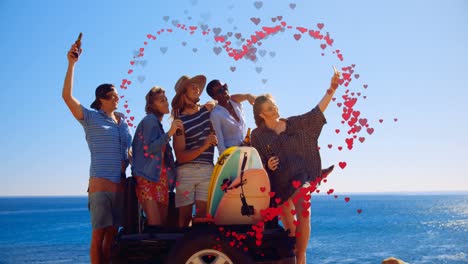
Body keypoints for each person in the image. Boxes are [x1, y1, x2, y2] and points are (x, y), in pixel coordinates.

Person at [250, 67, 340, 264]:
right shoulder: (257, 135)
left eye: (274, 106)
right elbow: (259, 161)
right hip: (279, 183)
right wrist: (268, 164)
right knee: (291, 230)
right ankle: (295, 257)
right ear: (261, 114)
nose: (275, 110)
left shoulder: (293, 123)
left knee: (304, 214)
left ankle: (301, 258)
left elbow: (316, 113)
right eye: (270, 109)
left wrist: (331, 89)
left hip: (300, 177)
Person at [62, 42, 132, 264]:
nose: (117, 99)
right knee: (98, 236)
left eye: (117, 96)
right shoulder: (91, 118)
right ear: (101, 99)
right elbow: (67, 98)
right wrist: (71, 64)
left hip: (119, 186)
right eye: (112, 96)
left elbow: (129, 149)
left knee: (112, 237)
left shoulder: (122, 122)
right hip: (100, 186)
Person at [131, 87, 183, 227]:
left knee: (161, 226)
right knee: (156, 226)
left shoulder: (157, 123)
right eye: (161, 101)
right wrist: (170, 133)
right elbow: (150, 148)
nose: (166, 102)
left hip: (159, 180)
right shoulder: (150, 120)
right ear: (152, 106)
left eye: (165, 99)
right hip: (147, 179)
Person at [171, 75, 218, 227]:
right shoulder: (179, 122)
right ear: (183, 94)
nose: (197, 88)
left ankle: (200, 250)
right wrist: (204, 146)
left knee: (203, 215)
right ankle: (184, 250)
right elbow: (180, 156)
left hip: (207, 169)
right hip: (186, 172)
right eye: (192, 86)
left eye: (197, 86)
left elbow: (221, 100)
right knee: (184, 218)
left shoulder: (207, 109)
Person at [205, 79, 256, 153]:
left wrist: (248, 96)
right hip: (232, 155)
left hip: (247, 152)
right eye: (219, 91)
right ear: (214, 97)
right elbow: (220, 143)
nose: (224, 90)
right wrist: (226, 159)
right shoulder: (215, 114)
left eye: (224, 87)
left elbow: (238, 97)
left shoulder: (236, 103)